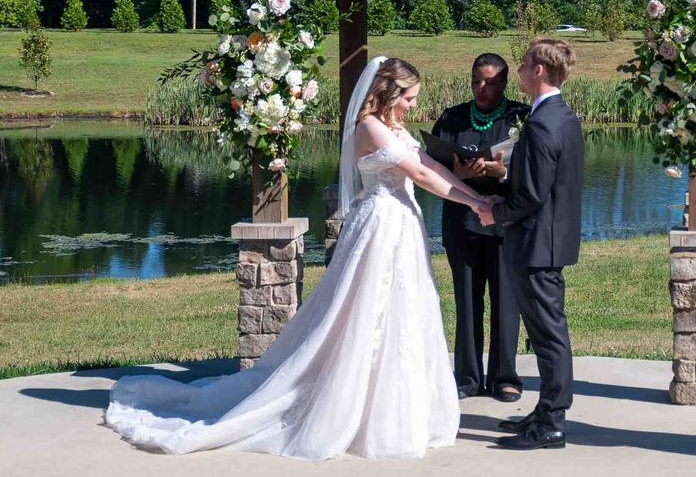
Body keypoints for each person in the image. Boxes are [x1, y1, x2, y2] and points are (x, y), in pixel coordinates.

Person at [105, 57, 488, 461]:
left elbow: (428, 163)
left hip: (402, 227)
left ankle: (400, 408)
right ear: (389, 92)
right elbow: (422, 176)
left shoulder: (394, 126)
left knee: (405, 312)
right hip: (380, 227)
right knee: (364, 314)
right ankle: (350, 409)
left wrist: (475, 197)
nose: (412, 105)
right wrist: (478, 203)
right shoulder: (370, 127)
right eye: (408, 97)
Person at [479, 39, 584, 451]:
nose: (519, 71)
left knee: (547, 334)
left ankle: (553, 422)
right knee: (547, 331)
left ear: (539, 70)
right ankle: (545, 411)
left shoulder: (541, 123)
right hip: (549, 240)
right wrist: (508, 176)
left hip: (538, 244)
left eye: (523, 64)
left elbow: (534, 196)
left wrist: (496, 212)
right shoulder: (561, 116)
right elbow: (548, 183)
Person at [431, 53, 528, 402]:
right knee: (467, 302)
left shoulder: (519, 117)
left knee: (506, 301)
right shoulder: (453, 117)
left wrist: (500, 172)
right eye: (476, 81)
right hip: (462, 222)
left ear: (503, 83)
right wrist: (459, 173)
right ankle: (468, 378)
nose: (482, 88)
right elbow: (432, 167)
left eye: (490, 82)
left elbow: (534, 172)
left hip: (504, 224)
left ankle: (505, 377)